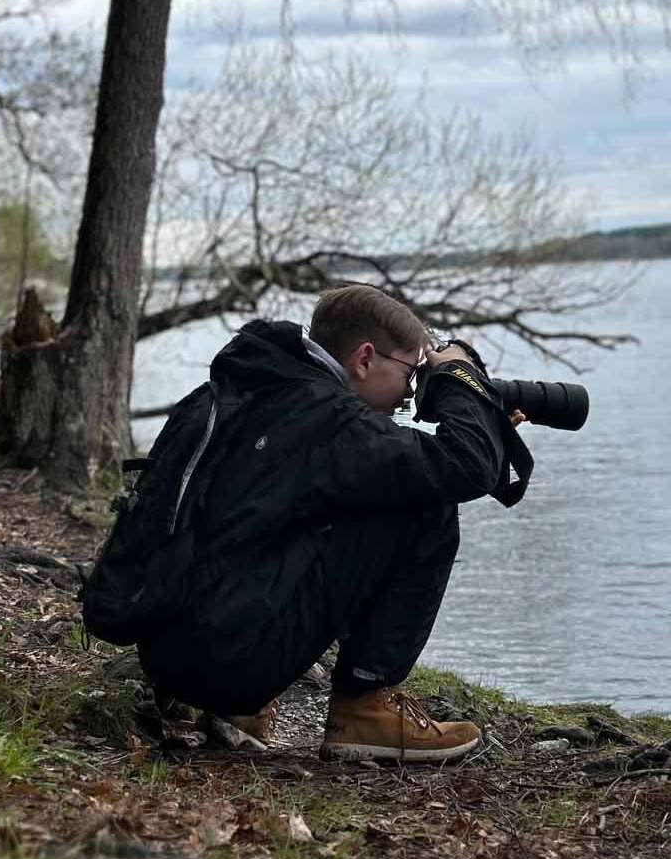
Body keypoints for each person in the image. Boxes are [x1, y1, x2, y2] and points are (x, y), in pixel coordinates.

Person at [82, 285, 532, 763]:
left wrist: (477, 420)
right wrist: (458, 376)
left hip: (169, 654)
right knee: (427, 505)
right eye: (409, 373)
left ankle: (239, 710)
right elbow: (463, 467)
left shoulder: (248, 387)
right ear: (363, 358)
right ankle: (363, 707)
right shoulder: (330, 421)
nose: (408, 392)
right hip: (230, 661)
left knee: (372, 496)